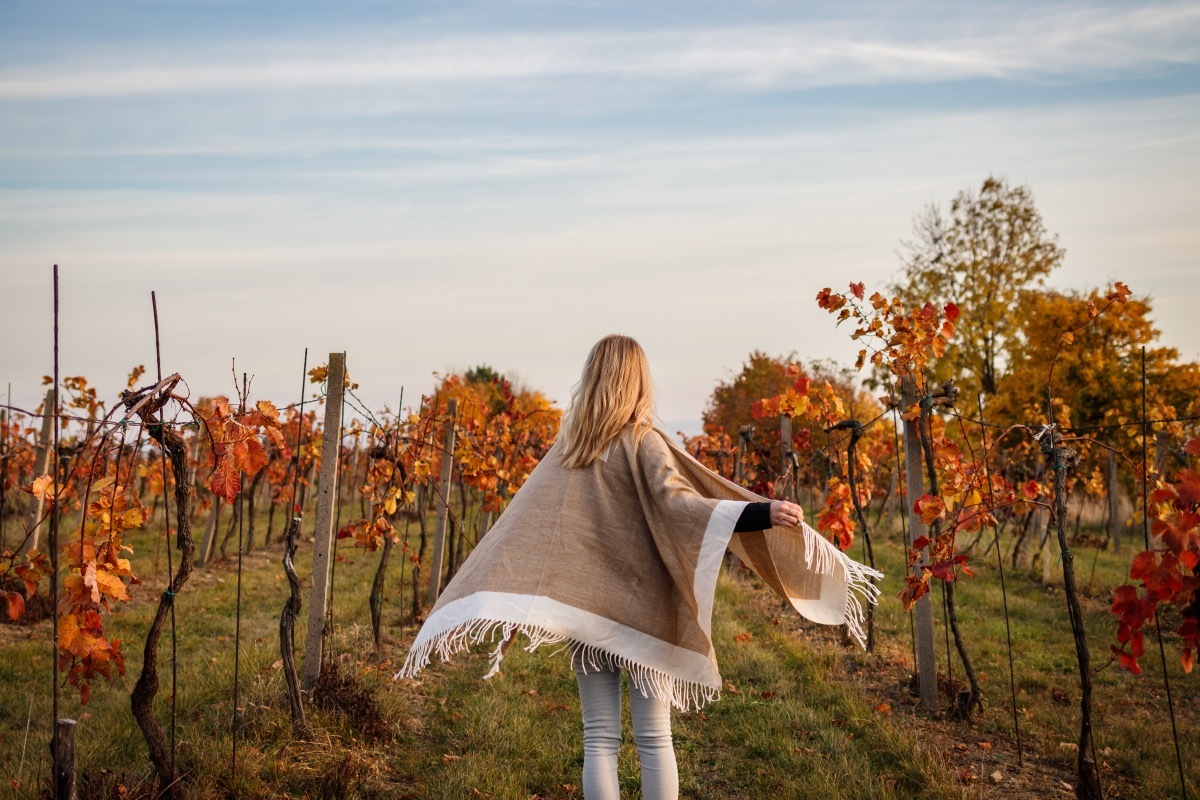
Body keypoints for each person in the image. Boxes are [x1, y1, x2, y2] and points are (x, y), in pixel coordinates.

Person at [397, 334, 881, 800]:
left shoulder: (568, 450)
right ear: (639, 382)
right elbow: (681, 506)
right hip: (644, 609)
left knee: (598, 737)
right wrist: (758, 512)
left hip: (588, 617)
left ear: (593, 379)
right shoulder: (642, 441)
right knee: (654, 738)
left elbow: (529, 526)